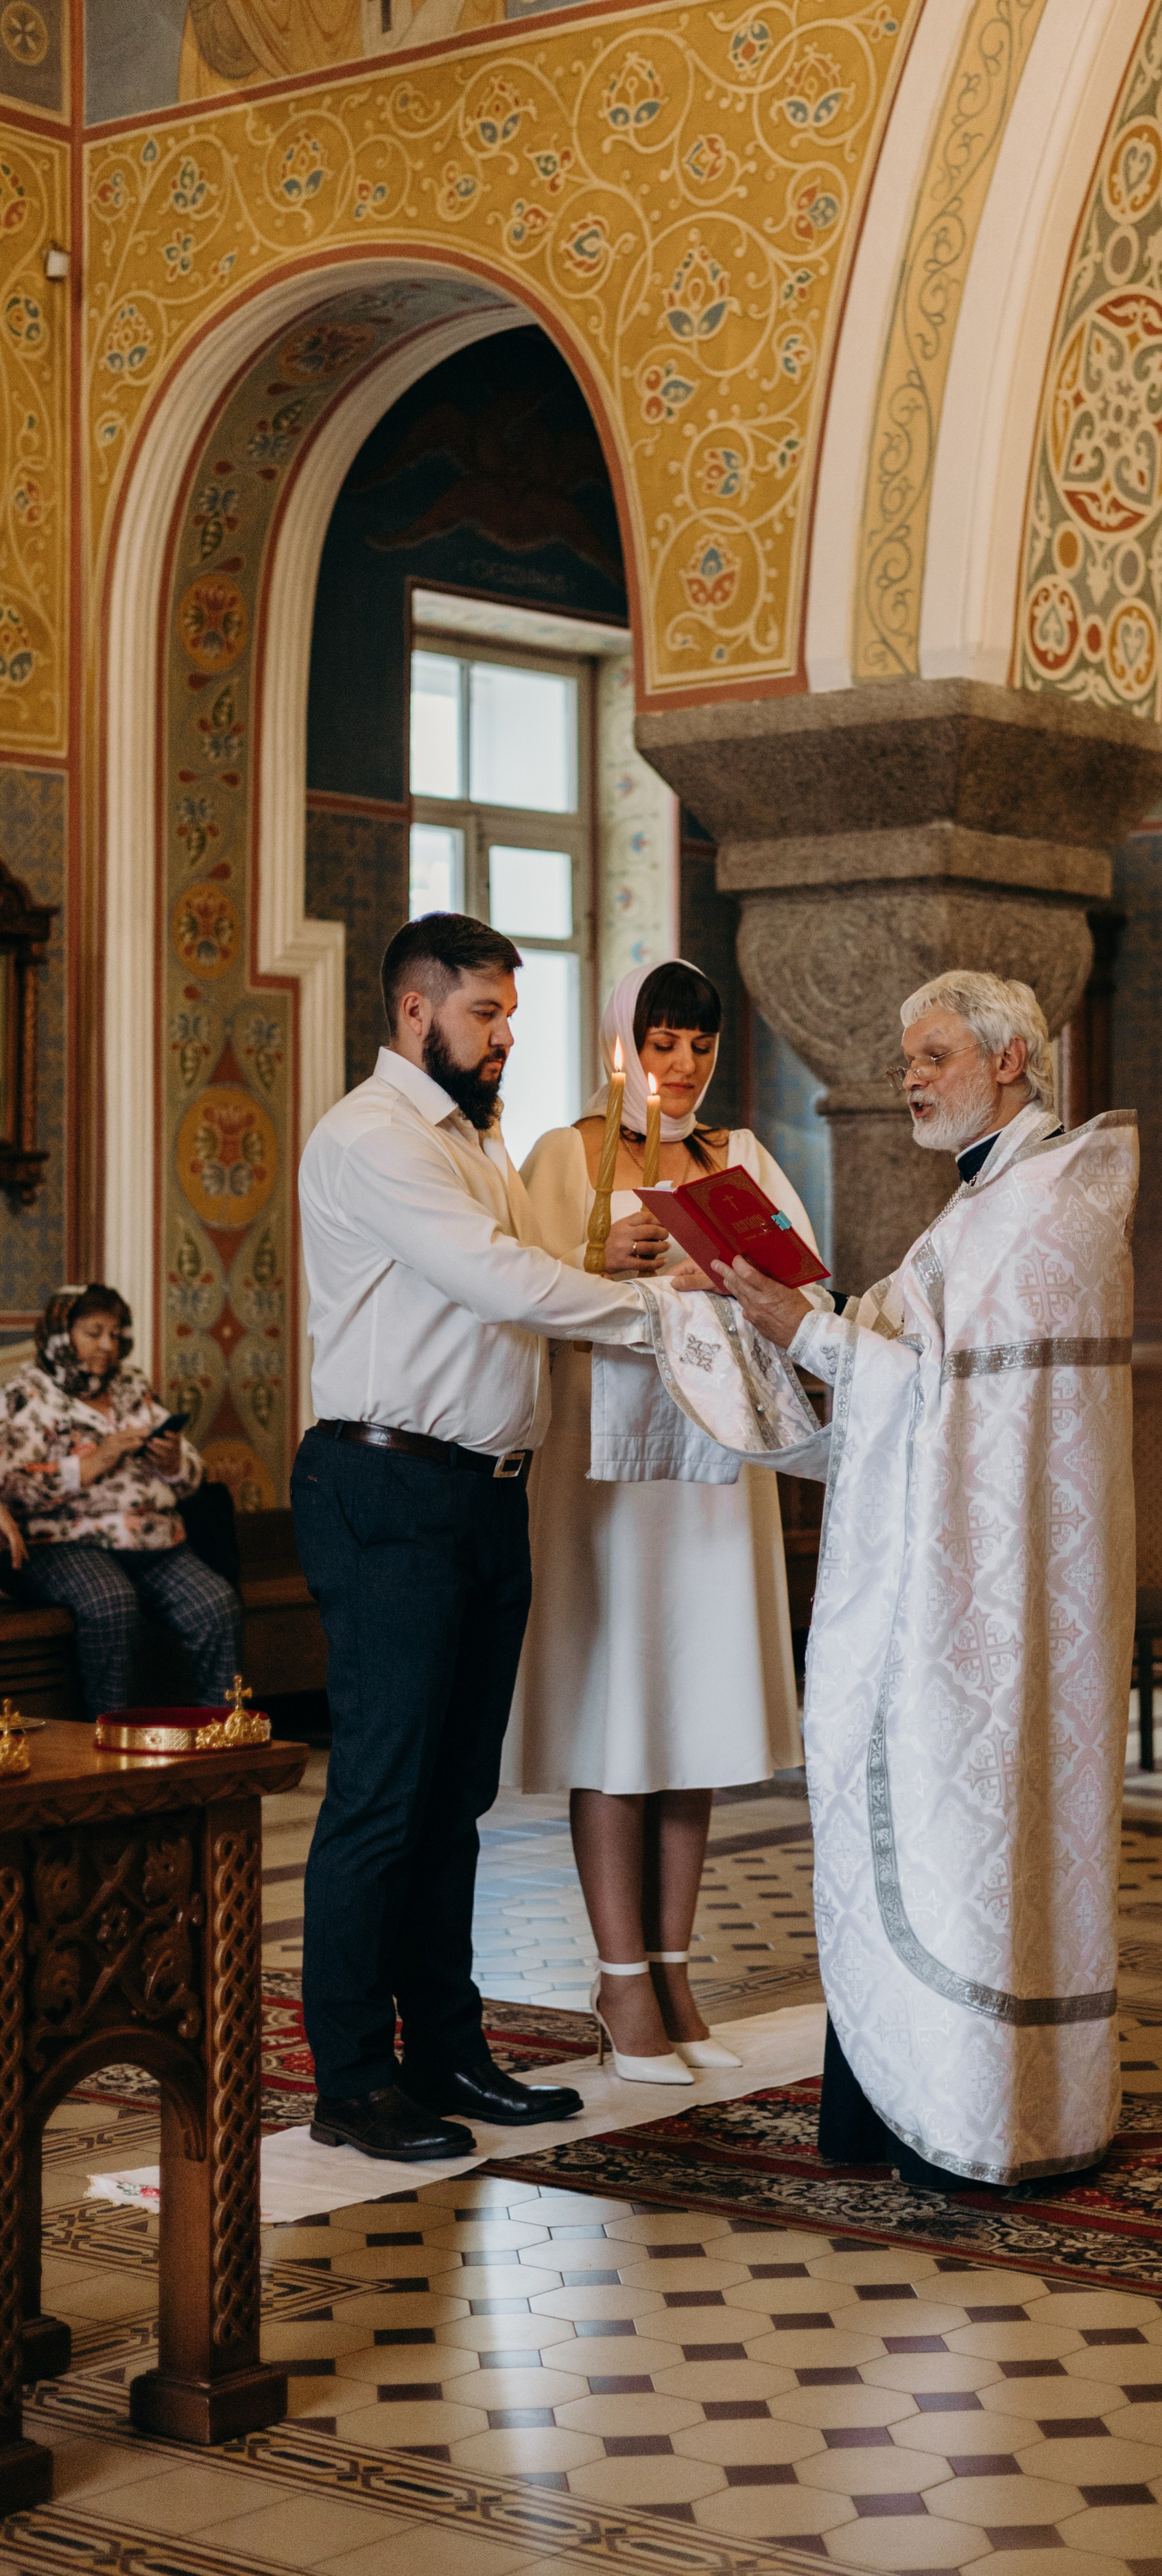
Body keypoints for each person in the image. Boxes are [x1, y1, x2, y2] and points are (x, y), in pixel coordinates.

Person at [645, 972, 1137, 2192]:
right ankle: (906, 2102)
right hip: (967, 1579)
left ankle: (977, 2109)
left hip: (988, 1599)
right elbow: (907, 1368)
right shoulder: (980, 1212)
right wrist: (790, 1321)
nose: (908, 1078)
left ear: (1010, 1059)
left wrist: (795, 1327)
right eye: (905, 1057)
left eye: (932, 1055)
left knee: (962, 1826)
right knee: (938, 1823)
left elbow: (937, 1404)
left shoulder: (1043, 1214)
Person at [294, 912, 661, 2167]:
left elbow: (512, 1273)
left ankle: (445, 2048)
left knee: (456, 1799)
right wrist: (652, 1311)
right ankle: (349, 2075)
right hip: (386, 1492)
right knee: (383, 1800)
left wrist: (581, 1261)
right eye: (488, 1013)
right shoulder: (371, 1138)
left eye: (511, 1013)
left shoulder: (472, 1142)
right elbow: (499, 1284)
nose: (508, 1036)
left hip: (481, 1494)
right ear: (415, 1011)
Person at [516, 960, 812, 2083]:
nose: (680, 1066)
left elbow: (802, 1293)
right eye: (660, 1043)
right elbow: (514, 1293)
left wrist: (754, 1276)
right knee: (619, 1710)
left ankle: (677, 1972)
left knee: (696, 1709)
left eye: (697, 1044)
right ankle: (619, 1981)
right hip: (604, 1475)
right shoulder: (567, 1158)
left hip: (712, 1472)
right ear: (617, 1041)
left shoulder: (739, 1158)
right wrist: (603, 1259)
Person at [0, 1285, 243, 1718]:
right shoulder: (26, 1394)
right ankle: (109, 1736)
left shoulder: (132, 1385)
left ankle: (222, 1736)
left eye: (114, 1334)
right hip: (64, 1542)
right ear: (61, 1333)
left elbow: (192, 1478)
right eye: (94, 1332)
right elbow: (10, 1488)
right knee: (110, 1601)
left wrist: (170, 1462)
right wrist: (94, 1461)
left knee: (215, 1604)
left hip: (151, 1537)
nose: (107, 1346)